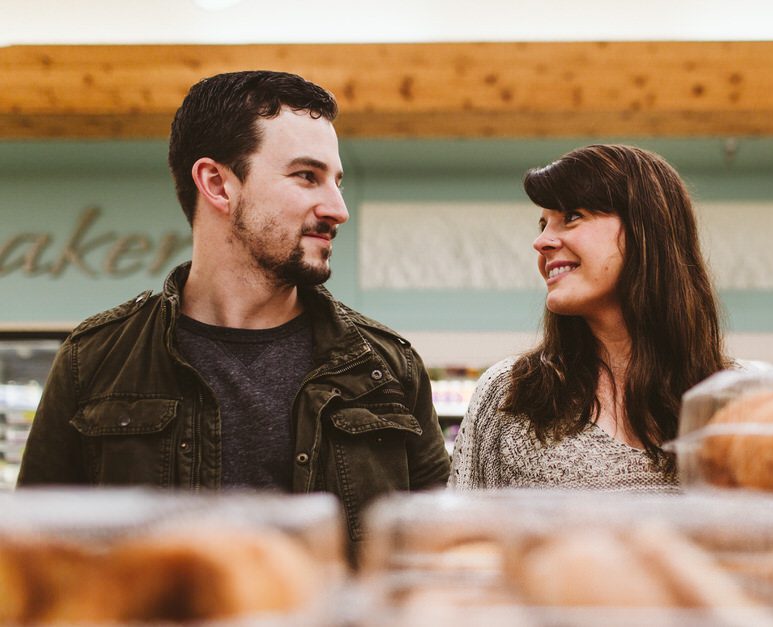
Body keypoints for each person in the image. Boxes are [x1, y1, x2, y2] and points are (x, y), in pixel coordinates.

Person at [18, 70, 451, 543]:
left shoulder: (388, 368)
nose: (337, 208)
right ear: (217, 184)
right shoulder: (95, 361)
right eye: (307, 176)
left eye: (337, 181)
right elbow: (35, 564)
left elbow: (436, 559)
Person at [449, 144, 728, 490]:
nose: (541, 241)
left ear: (646, 230)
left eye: (572, 216)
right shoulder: (509, 396)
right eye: (542, 223)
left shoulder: (736, 405)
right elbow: (463, 537)